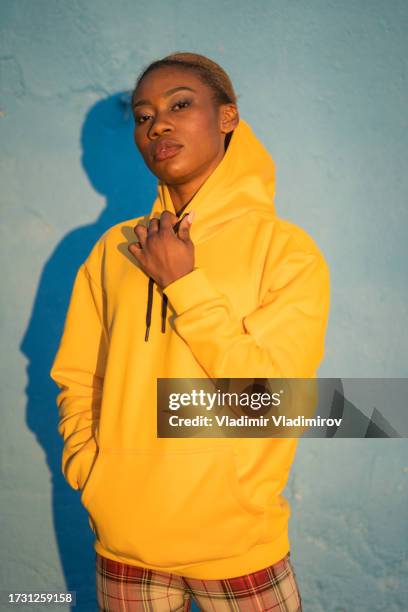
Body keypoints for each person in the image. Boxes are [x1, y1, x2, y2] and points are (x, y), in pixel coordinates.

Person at [50, 51, 330, 611]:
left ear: (228, 117)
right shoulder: (112, 249)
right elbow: (80, 376)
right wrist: (94, 470)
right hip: (125, 546)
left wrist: (185, 284)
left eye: (181, 104)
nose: (160, 124)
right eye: (143, 114)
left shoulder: (286, 250)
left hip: (239, 547)